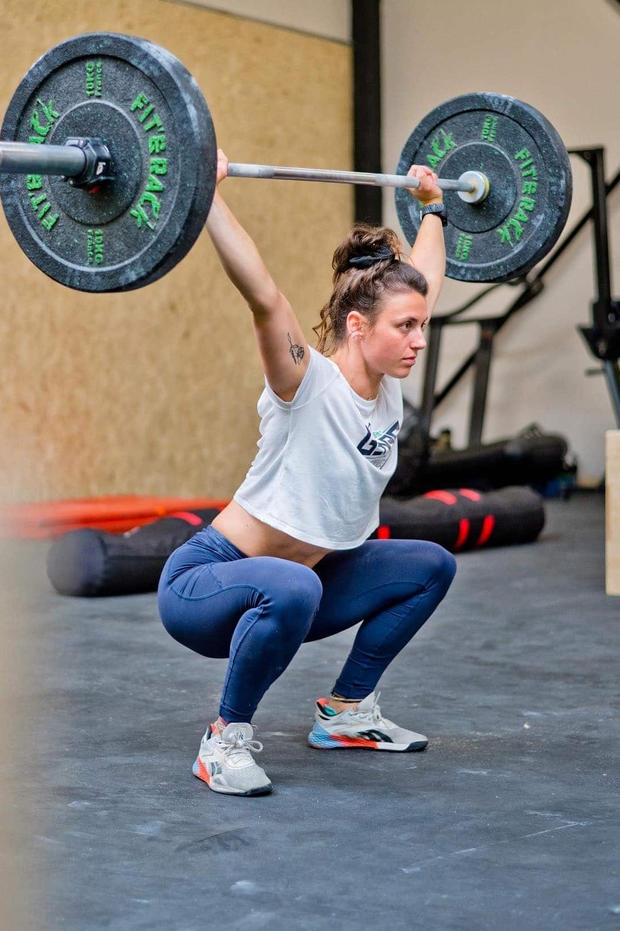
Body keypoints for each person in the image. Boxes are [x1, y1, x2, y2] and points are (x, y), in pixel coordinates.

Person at [157, 150, 457, 796]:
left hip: (309, 583)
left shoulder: (386, 383)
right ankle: (223, 740)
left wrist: (434, 210)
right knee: (292, 585)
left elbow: (424, 280)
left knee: (429, 565)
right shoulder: (305, 382)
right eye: (405, 328)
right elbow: (263, 296)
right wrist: (206, 195)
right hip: (208, 588)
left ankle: (347, 712)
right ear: (357, 325)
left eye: (420, 326)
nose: (418, 340)